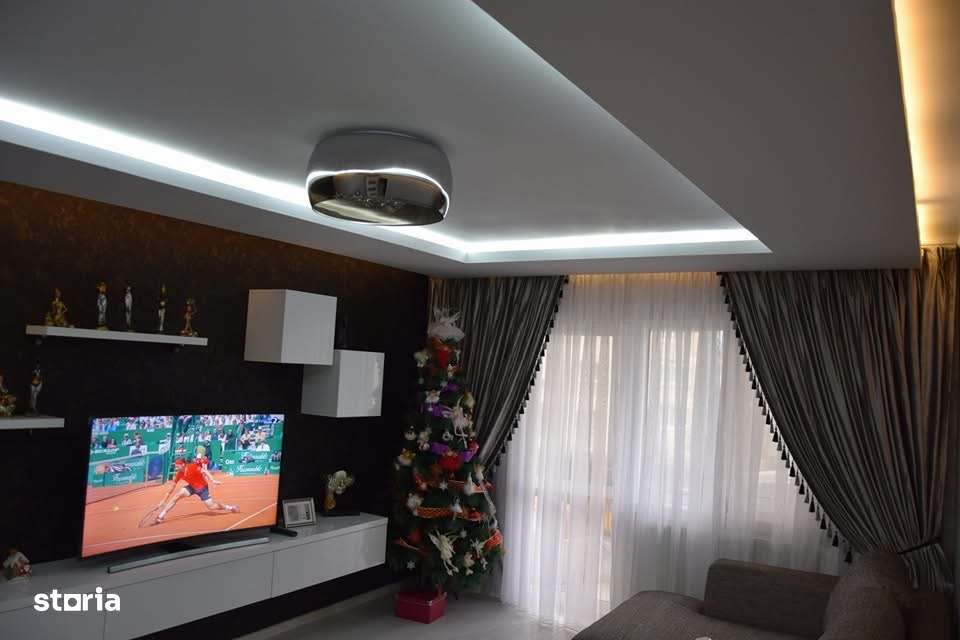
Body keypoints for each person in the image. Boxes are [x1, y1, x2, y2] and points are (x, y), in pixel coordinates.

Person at [152, 446, 238, 523]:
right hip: (192, 487)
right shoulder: (179, 474)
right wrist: (163, 500)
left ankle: (230, 508)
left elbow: (204, 471)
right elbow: (171, 488)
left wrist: (212, 480)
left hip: (202, 488)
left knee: (211, 506)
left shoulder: (192, 467)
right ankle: (161, 515)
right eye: (176, 466)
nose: (176, 467)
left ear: (183, 465)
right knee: (177, 496)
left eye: (178, 466)